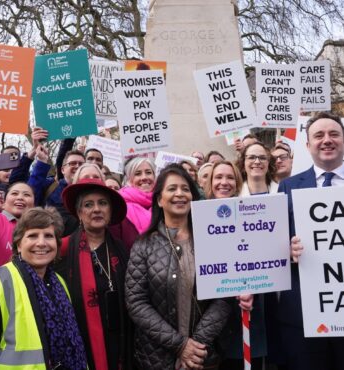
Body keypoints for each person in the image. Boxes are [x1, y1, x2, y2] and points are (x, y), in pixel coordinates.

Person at [125, 164, 231, 370]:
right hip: (157, 358)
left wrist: (196, 345)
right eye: (172, 189)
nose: (180, 194)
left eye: (185, 189)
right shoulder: (144, 245)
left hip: (203, 356)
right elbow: (136, 302)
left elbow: (224, 296)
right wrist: (179, 345)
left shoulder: (212, 239)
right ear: (159, 199)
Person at [273, 112, 344, 370]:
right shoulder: (288, 186)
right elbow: (273, 245)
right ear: (307, 145)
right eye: (319, 135)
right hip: (301, 315)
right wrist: (286, 249)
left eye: (334, 134)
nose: (327, 140)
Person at [0, 207, 88, 369]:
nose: (41, 243)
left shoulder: (60, 282)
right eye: (32, 235)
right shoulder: (0, 281)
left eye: (48, 236)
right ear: (19, 245)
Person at [60, 178, 133, 370]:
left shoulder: (123, 250)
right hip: (79, 342)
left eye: (102, 203)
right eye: (88, 205)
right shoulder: (62, 250)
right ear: (79, 213)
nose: (96, 209)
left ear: (110, 210)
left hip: (120, 341)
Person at [205, 161, 264, 370]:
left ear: (237, 182)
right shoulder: (197, 217)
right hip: (208, 321)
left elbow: (264, 262)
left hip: (245, 318)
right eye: (218, 177)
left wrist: (253, 287)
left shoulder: (252, 214)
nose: (224, 182)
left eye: (230, 177)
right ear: (210, 183)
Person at [119, 156, 155, 234]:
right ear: (129, 180)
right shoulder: (120, 207)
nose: (144, 177)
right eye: (138, 174)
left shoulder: (164, 202)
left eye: (148, 172)